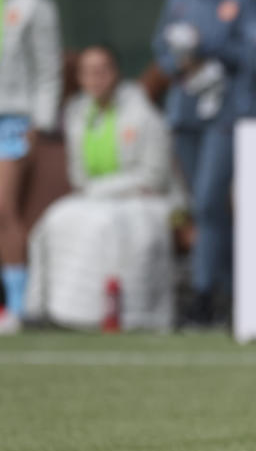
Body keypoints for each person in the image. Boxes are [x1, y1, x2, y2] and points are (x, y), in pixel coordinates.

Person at [25, 46, 178, 331]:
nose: (96, 79)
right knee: (51, 222)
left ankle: (122, 315)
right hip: (93, 199)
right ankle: (45, 309)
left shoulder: (143, 112)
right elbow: (79, 175)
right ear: (80, 78)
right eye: (88, 73)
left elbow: (154, 177)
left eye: (102, 71)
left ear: (116, 74)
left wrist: (109, 191)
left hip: (146, 201)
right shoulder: (76, 114)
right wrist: (98, 193)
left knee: (106, 226)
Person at [151, 0, 256, 326]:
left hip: (224, 115)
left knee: (210, 203)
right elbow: (161, 49)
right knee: (204, 206)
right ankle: (228, 294)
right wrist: (179, 59)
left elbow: (250, 53)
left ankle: (202, 294)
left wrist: (206, 48)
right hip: (185, 112)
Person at [0, 0, 60, 334]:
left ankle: (17, 305)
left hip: (9, 120)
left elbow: (49, 68)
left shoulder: (31, 6)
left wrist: (39, 123)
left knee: (1, 208)